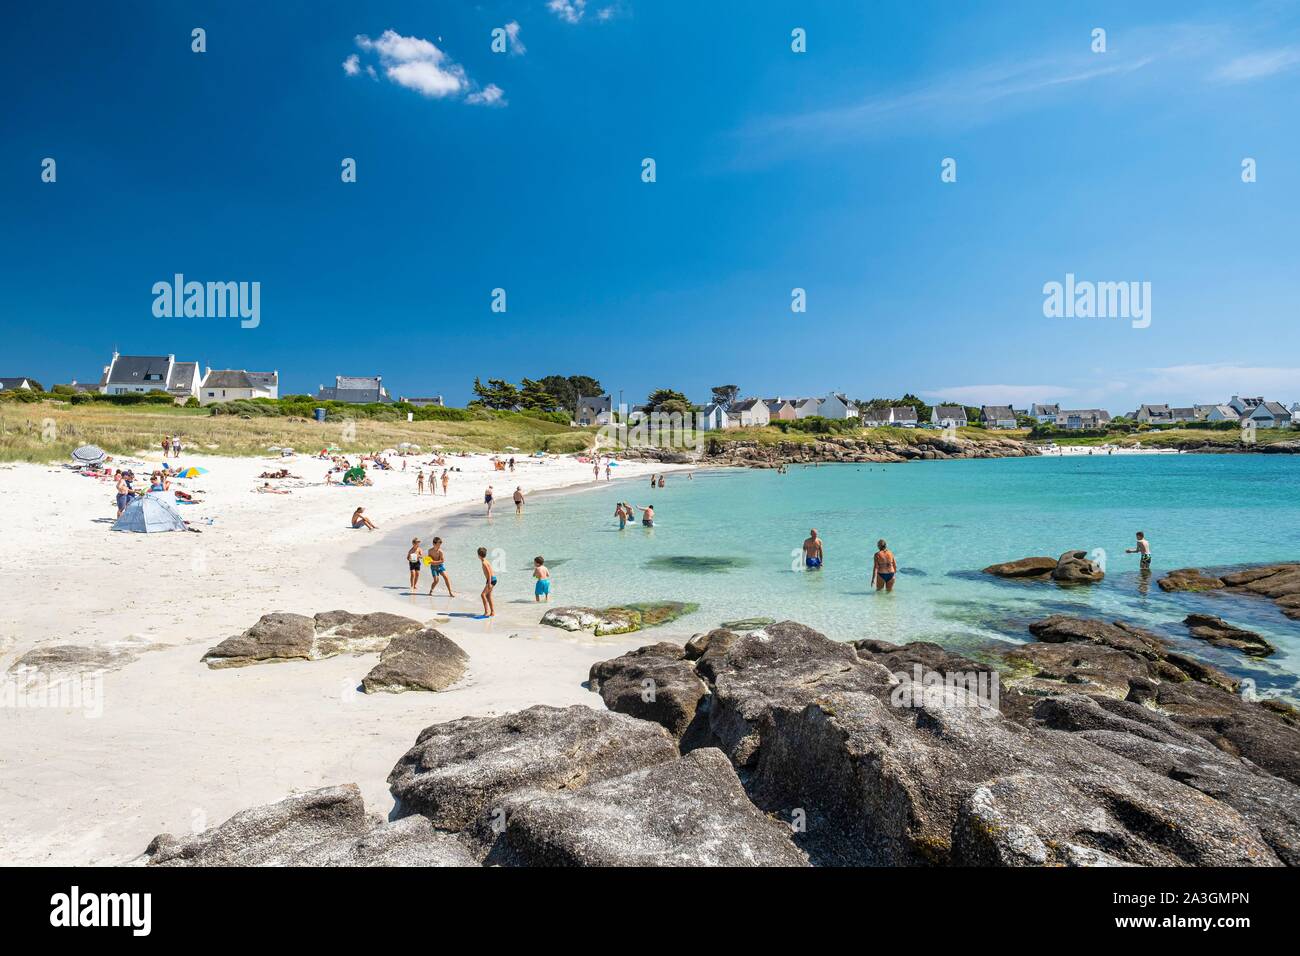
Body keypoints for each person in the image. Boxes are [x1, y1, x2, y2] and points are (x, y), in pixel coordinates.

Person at [478, 546, 496, 618]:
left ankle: (486, 612)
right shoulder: (485, 561)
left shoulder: (484, 563)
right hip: (492, 579)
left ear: (478, 555)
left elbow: (489, 573)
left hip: (491, 580)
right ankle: (492, 612)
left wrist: (489, 583)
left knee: (483, 595)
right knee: (488, 596)